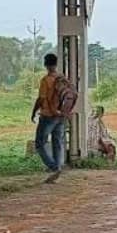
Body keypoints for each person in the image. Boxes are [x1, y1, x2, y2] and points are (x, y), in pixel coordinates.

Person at [31, 53, 67, 183]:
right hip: (60, 115)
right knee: (58, 142)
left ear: (45, 64)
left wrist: (33, 112)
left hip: (48, 115)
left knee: (40, 143)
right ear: (56, 64)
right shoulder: (63, 79)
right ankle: (58, 166)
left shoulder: (46, 80)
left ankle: (54, 167)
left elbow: (41, 99)